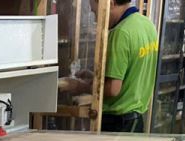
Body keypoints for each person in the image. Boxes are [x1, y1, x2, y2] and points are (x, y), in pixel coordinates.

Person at [59, 0, 158, 132]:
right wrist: (96, 77)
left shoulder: (120, 32)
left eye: (96, 12)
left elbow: (112, 89)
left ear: (110, 3)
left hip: (118, 123)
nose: (96, 20)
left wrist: (79, 86)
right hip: (136, 120)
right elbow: (131, 74)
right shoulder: (146, 24)